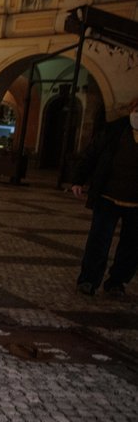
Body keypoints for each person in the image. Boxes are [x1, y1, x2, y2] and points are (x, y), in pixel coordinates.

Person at [70, 97, 138, 297]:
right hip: (108, 196)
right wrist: (79, 179)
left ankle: (117, 282)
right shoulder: (114, 130)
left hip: (136, 202)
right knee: (99, 240)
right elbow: (92, 154)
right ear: (132, 109)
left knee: (132, 246)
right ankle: (89, 280)